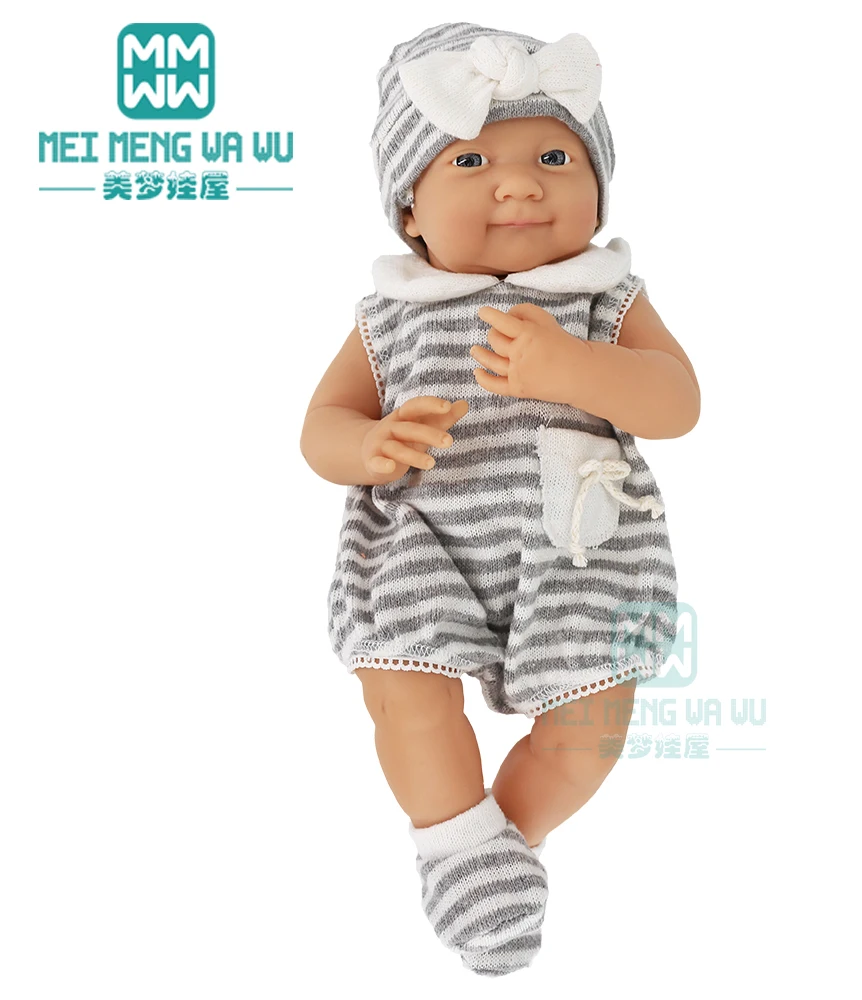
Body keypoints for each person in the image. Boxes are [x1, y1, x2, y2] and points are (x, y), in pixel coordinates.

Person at [299, 23, 701, 975]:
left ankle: (494, 857)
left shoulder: (602, 296)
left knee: (590, 730)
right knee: (405, 693)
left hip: (581, 551)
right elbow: (321, 426)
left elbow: (678, 403)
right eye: (472, 161)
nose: (519, 185)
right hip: (423, 542)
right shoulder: (391, 314)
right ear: (410, 210)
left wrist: (577, 367)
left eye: (555, 159)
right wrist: (366, 444)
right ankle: (456, 842)